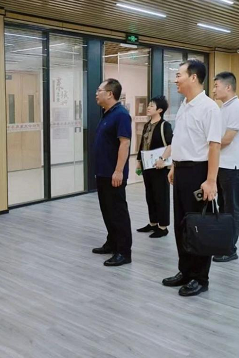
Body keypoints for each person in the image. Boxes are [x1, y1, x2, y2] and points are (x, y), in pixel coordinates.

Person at [163, 60, 222, 297]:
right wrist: (174, 166)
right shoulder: (185, 105)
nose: (175, 80)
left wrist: (211, 180)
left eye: (179, 75)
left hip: (199, 173)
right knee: (182, 225)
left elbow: (214, 146)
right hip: (181, 171)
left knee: (198, 227)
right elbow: (181, 139)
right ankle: (185, 271)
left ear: (194, 77)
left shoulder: (209, 108)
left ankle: (200, 277)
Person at [91, 78, 133, 267]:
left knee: (117, 212)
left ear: (110, 94)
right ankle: (112, 243)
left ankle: (123, 252)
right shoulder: (107, 113)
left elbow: (125, 143)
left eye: (99, 90)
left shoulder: (121, 115)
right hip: (102, 173)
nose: (96, 93)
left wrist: (118, 171)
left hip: (113, 174)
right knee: (107, 211)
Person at [212, 72, 239, 263]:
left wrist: (209, 149)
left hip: (232, 166)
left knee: (232, 208)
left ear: (228, 87)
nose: (213, 90)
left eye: (216, 86)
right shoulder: (224, 107)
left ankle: (230, 249)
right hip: (223, 164)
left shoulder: (237, 108)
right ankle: (223, 244)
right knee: (224, 206)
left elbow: (226, 139)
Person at [135, 96, 173, 238]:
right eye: (149, 105)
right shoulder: (147, 125)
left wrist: (162, 159)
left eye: (152, 105)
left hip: (160, 167)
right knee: (150, 195)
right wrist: (139, 161)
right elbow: (142, 144)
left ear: (160, 110)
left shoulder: (165, 125)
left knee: (161, 196)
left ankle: (163, 227)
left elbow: (171, 144)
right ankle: (153, 223)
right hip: (147, 165)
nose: (148, 107)